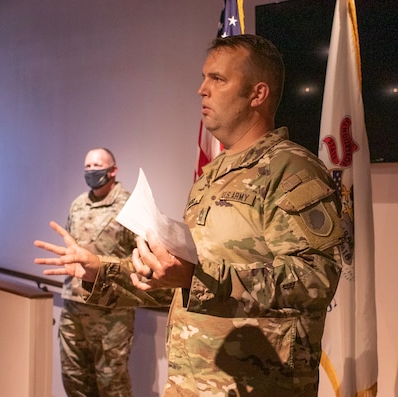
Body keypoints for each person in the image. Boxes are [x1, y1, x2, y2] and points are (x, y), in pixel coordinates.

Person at [35, 35, 343, 396]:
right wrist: (101, 270)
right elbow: (185, 287)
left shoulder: (292, 171)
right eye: (204, 77)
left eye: (218, 79)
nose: (202, 90)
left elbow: (313, 282)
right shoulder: (210, 178)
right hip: (191, 384)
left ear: (257, 94)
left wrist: (199, 276)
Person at [58, 148, 173, 397]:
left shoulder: (129, 206)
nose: (91, 171)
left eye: (97, 165)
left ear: (113, 170)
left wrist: (104, 268)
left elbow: (145, 255)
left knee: (111, 383)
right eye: (87, 166)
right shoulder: (78, 204)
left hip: (112, 312)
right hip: (74, 305)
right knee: (74, 378)